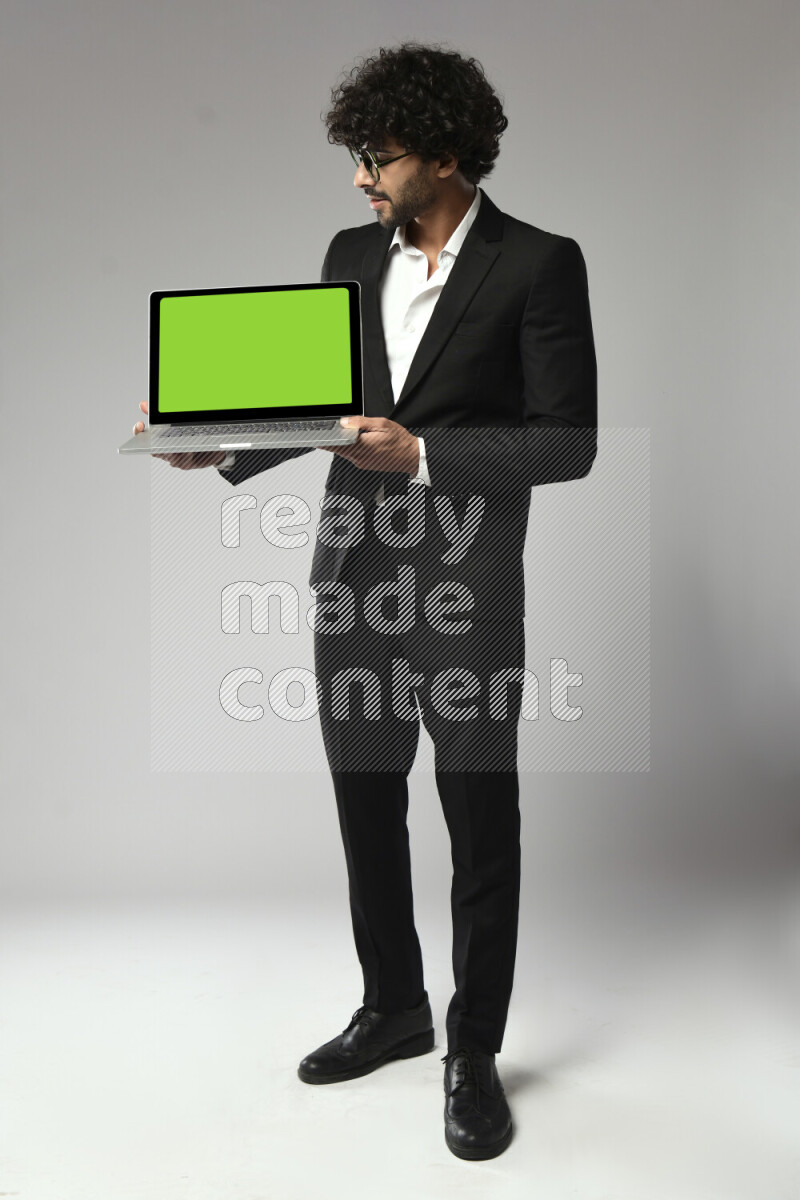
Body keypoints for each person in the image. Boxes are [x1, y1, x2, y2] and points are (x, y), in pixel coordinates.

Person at [135, 42, 597, 1160]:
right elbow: (322, 406)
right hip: (350, 575)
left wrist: (427, 456)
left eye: (376, 157)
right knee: (365, 801)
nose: (358, 179)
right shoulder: (349, 251)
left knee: (479, 820)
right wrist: (224, 451)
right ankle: (392, 1007)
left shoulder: (537, 263)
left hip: (465, 582)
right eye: (357, 157)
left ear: (443, 155)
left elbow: (567, 442)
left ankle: (471, 1048)